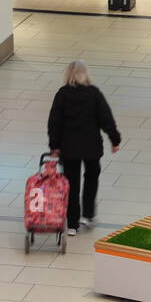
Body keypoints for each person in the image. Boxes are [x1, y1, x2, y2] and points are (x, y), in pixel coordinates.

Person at [47, 59, 121, 235]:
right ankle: (87, 215)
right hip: (91, 147)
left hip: (69, 148)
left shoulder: (62, 94)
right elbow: (106, 118)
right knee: (91, 178)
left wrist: (54, 145)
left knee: (71, 184)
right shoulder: (94, 94)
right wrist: (115, 139)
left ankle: (72, 224)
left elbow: (54, 122)